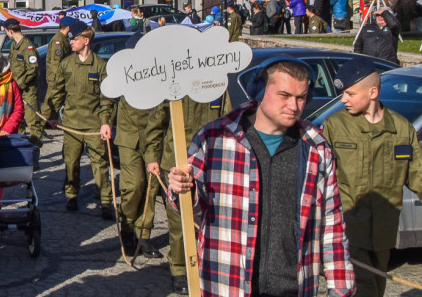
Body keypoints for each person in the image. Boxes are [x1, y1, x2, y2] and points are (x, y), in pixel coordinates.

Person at [167, 58, 354, 297]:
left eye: (301, 97)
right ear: (260, 92)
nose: (294, 106)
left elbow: (332, 223)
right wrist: (182, 188)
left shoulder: (316, 148)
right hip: (227, 284)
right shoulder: (214, 138)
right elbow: (186, 207)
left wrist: (340, 286)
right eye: (284, 95)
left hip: (293, 287)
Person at [321, 58, 422, 297]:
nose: (343, 99)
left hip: (384, 234)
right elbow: (318, 178)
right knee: (361, 290)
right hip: (348, 233)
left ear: (373, 92)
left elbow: (417, 175)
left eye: (350, 93)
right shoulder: (335, 126)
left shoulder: (401, 128)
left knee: (376, 289)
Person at [145, 67, 233, 293]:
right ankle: (179, 269)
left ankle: (205, 265)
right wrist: (152, 158)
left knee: (210, 219)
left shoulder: (218, 86)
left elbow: (230, 123)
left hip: (210, 164)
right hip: (177, 164)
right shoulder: (174, 86)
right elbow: (156, 124)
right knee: (178, 223)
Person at [40, 20, 114, 218]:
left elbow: (106, 99)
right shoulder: (66, 64)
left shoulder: (100, 66)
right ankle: (71, 195)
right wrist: (52, 116)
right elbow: (57, 92)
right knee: (71, 162)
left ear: (86, 41)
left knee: (100, 164)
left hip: (94, 124)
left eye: (76, 39)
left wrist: (105, 122)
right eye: (71, 39)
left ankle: (105, 201)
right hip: (71, 123)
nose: (71, 41)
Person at [111, 32, 161, 258]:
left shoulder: (158, 74)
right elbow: (107, 98)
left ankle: (144, 236)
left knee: (150, 188)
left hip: (153, 138)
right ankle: (127, 228)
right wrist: (105, 122)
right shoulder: (122, 74)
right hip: (129, 137)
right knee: (134, 186)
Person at [2, 18, 42, 145]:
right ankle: (21, 147)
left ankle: (35, 150)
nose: (7, 34)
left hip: (28, 90)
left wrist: (20, 84)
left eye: (6, 32)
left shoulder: (28, 47)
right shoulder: (14, 45)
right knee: (18, 120)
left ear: (10, 31)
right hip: (16, 89)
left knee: (32, 121)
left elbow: (33, 69)